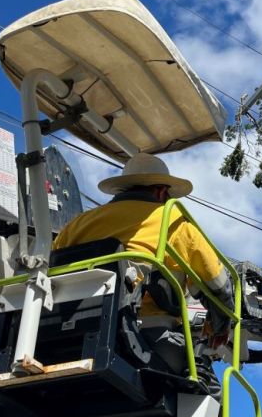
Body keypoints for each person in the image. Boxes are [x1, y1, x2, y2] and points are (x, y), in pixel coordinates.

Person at [53, 153, 233, 395]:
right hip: (142, 337)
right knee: (209, 390)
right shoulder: (173, 221)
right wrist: (221, 325)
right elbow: (219, 285)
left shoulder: (76, 225)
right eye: (167, 195)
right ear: (160, 191)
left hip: (69, 338)